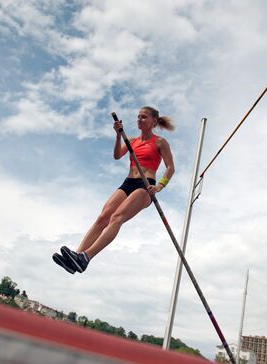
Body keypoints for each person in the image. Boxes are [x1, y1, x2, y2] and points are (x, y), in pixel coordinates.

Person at [53, 106, 175, 274]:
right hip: (128, 182)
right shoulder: (132, 140)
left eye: (144, 117)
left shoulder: (160, 142)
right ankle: (76, 257)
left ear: (154, 121)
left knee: (117, 217)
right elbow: (117, 155)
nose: (139, 119)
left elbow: (170, 168)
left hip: (145, 186)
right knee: (103, 217)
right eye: (138, 116)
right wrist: (118, 135)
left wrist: (160, 186)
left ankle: (86, 257)